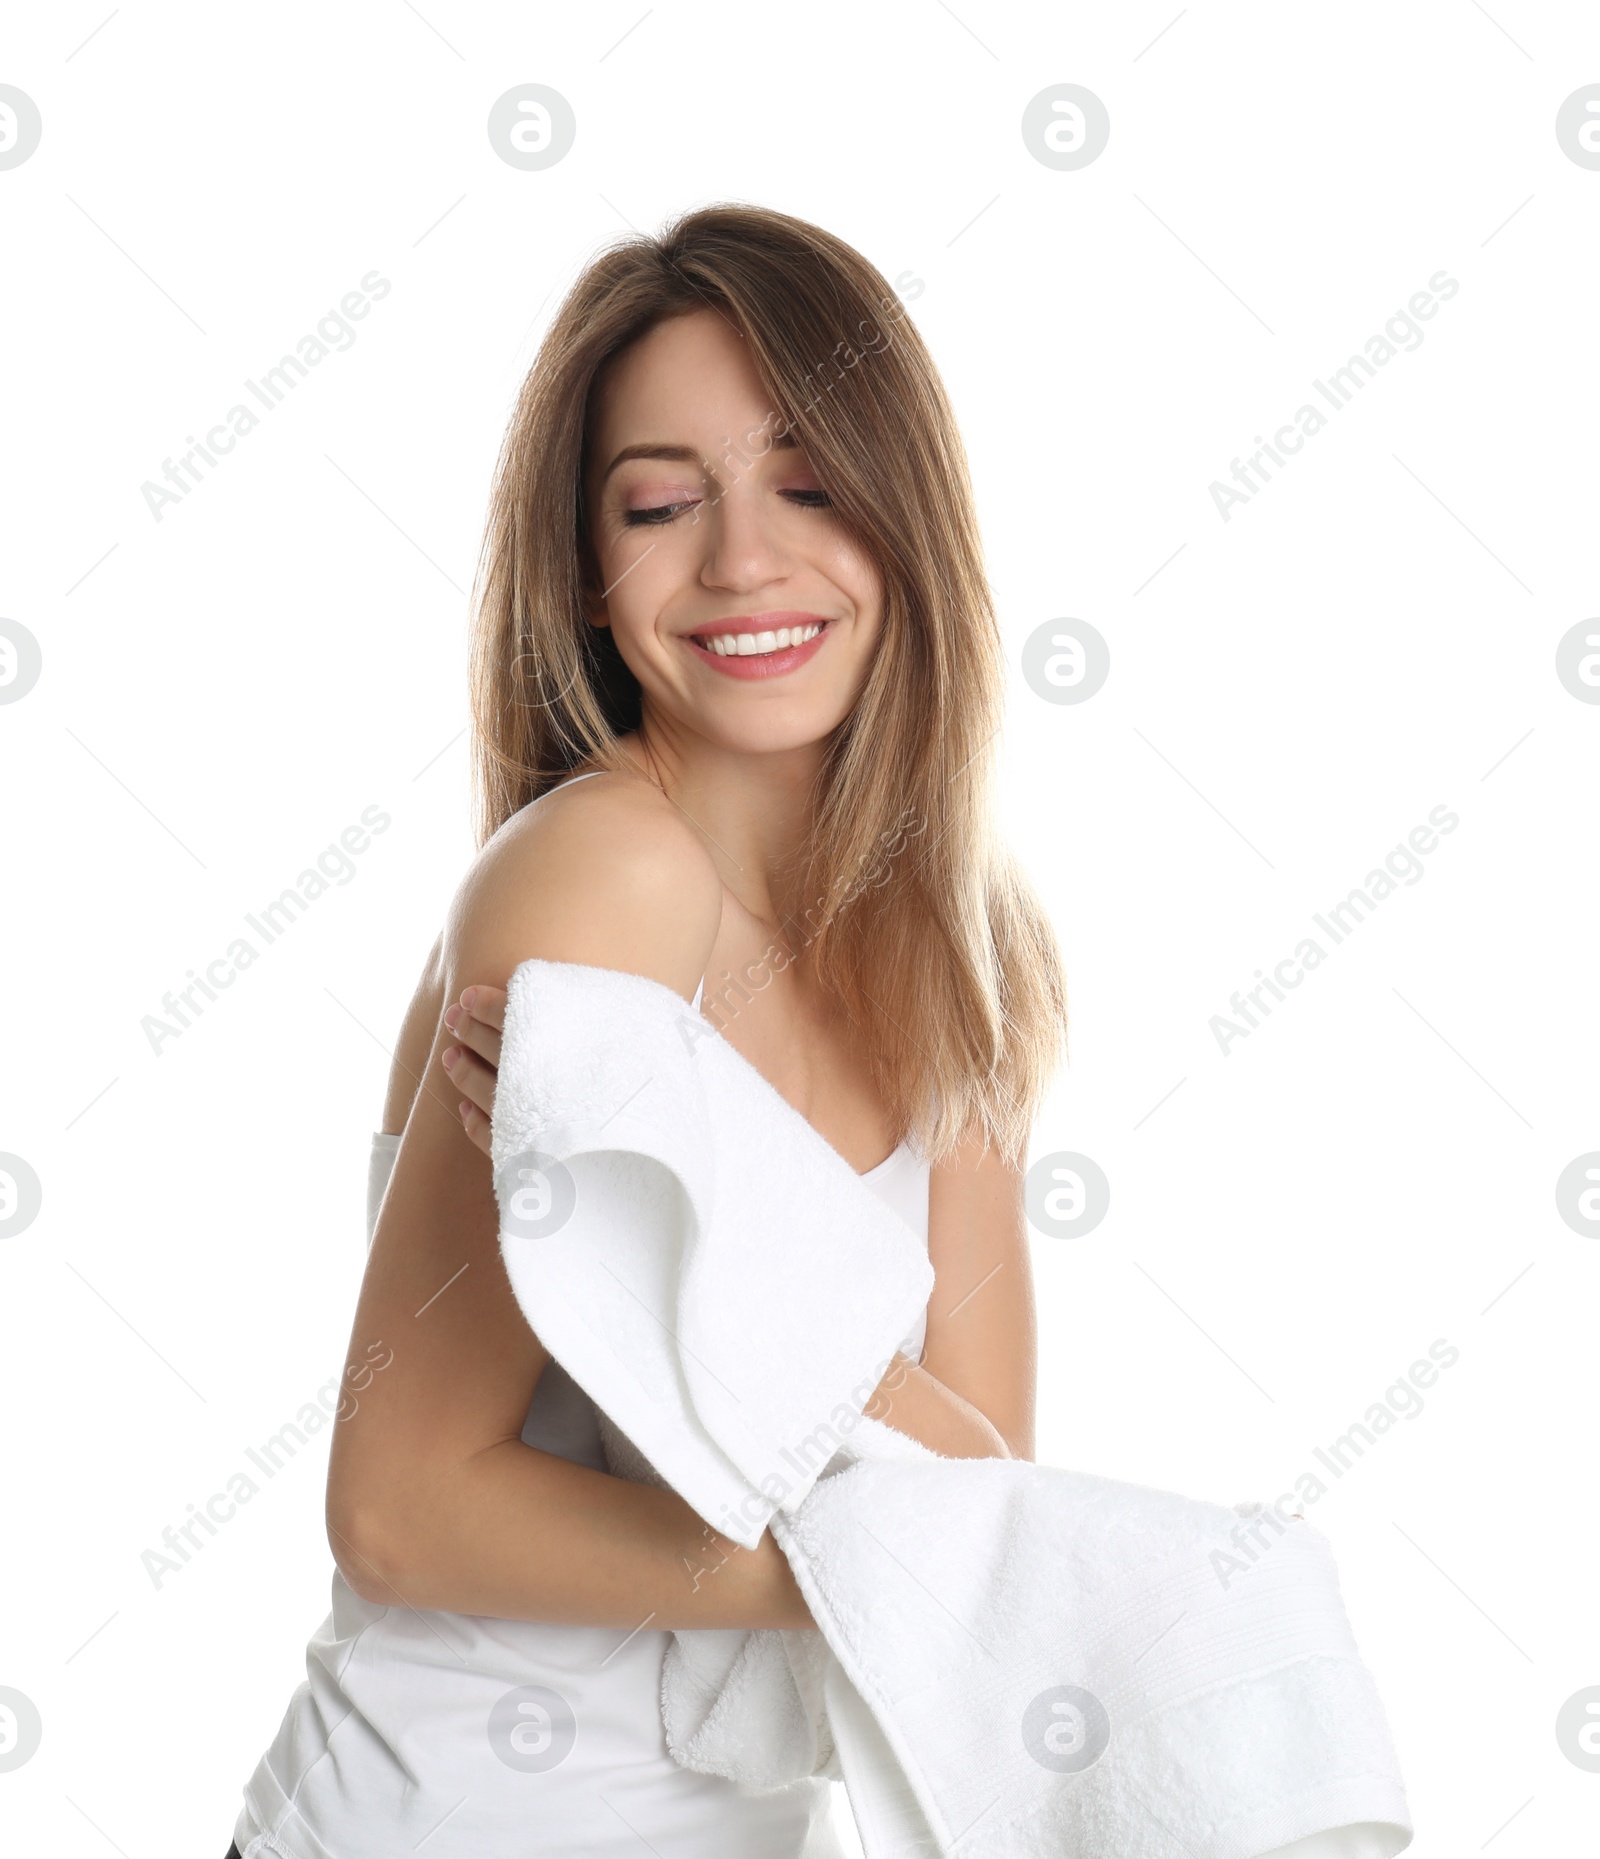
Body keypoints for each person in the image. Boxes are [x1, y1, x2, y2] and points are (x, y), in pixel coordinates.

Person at [226, 202, 1069, 1859]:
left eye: (812, 484)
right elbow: (403, 1510)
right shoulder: (599, 874)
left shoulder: (946, 949)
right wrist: (856, 1570)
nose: (745, 560)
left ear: (909, 525)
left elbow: (983, 1499)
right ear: (593, 580)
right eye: (664, 503)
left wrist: (721, 1204)